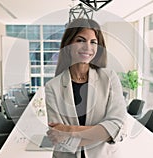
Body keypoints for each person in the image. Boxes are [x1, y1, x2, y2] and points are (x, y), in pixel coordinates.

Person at [45, 18, 127, 158]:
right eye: (80, 40)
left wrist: (69, 130)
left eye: (93, 42)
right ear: (68, 44)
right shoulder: (52, 86)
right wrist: (103, 133)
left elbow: (117, 129)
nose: (87, 47)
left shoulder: (109, 78)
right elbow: (58, 138)